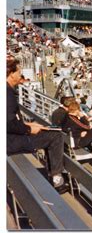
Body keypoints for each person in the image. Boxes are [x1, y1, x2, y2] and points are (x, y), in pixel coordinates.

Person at [7, 58, 66, 190]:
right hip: (11, 141)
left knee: (48, 131)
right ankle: (57, 179)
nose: (20, 74)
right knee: (56, 136)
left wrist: (29, 125)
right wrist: (28, 129)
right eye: (19, 72)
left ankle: (54, 174)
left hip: (11, 138)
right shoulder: (7, 93)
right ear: (11, 74)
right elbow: (8, 124)